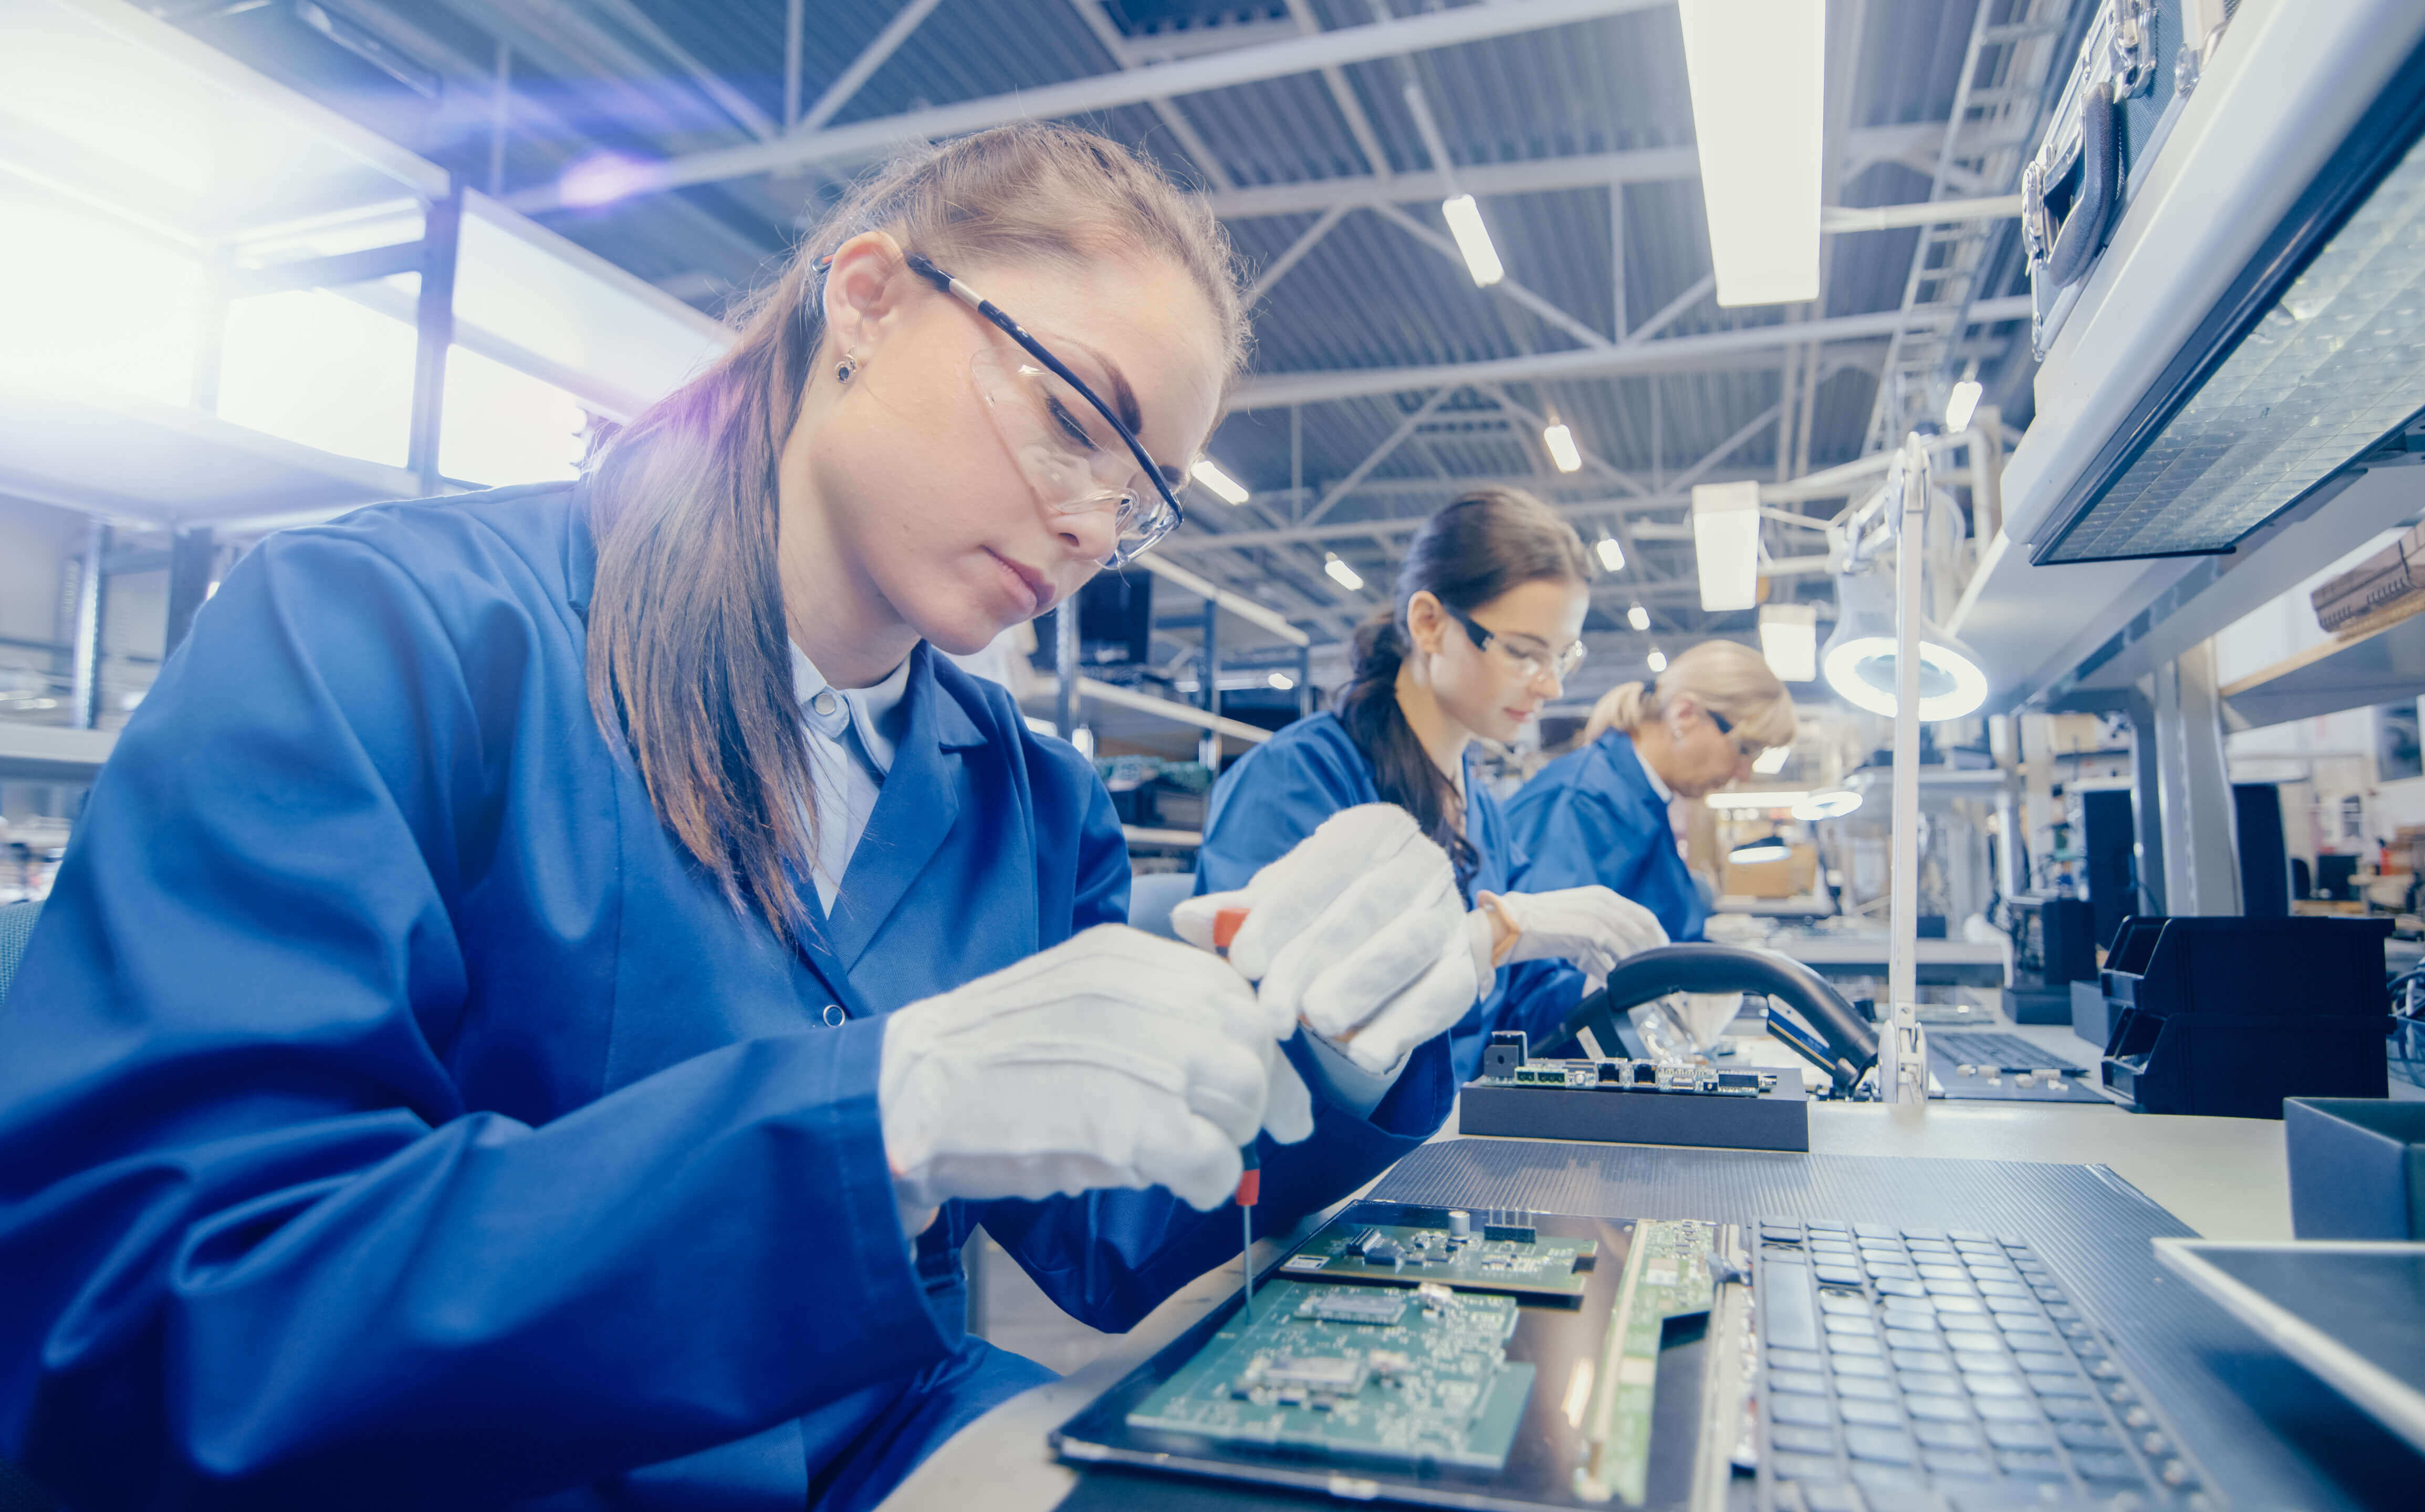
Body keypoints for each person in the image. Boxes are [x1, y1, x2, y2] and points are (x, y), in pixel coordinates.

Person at [0, 123, 1487, 1511]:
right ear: (868, 303)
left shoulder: (1031, 804)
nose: (1094, 526)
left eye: (1142, 496)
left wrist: (1338, 1039)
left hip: (881, 1451)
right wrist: (877, 1122)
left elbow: (1117, 1224)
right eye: (1070, 418)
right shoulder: (379, 635)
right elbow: (154, 1316)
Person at [1185, 489, 1667, 1081]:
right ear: (1429, 624)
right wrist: (1491, 935)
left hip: (1456, 1126)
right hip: (1342, 1138)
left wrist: (1623, 998)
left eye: (1563, 658)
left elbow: (1515, 1013)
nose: (1551, 687)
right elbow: (1293, 1016)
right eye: (1524, 653)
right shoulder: (1297, 779)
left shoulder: (1480, 811)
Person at [1508, 638, 1800, 946]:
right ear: (1685, 715)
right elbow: (1545, 959)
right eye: (1744, 750)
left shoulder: (1643, 801)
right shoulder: (1582, 801)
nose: (1745, 773)